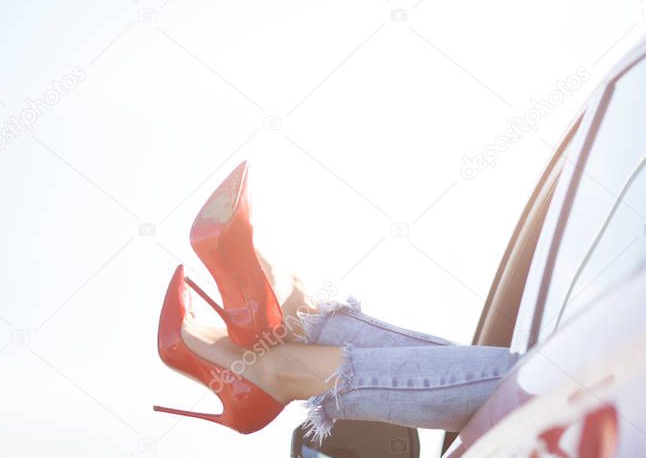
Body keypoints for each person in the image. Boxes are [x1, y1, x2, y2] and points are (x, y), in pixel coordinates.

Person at [154, 162, 518, 442]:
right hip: (566, 395)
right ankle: (291, 328)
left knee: (528, 378)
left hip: (567, 393)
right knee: (527, 374)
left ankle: (281, 350)